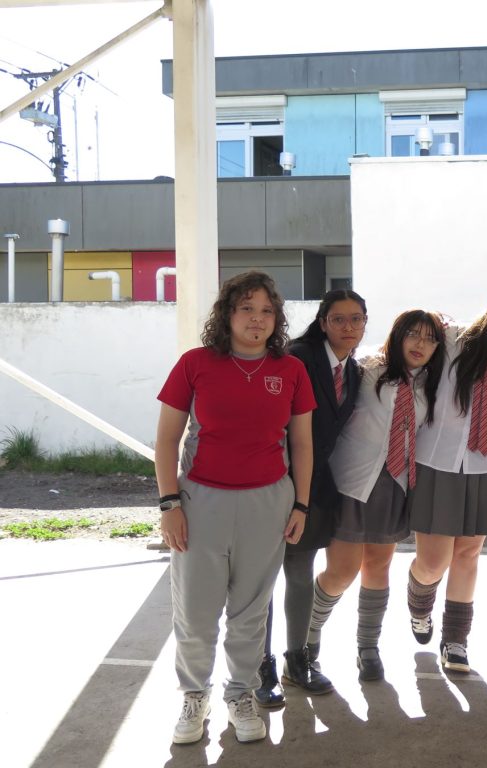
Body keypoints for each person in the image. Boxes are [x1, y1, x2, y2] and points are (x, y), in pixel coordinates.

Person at [155, 271, 314, 744]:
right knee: (196, 611)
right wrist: (169, 504)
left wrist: (301, 504)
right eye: (246, 308)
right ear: (227, 314)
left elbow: (302, 445)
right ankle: (194, 695)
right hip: (200, 502)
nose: (257, 319)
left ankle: (241, 694)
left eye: (266, 310)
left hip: (269, 503)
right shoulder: (195, 364)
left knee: (250, 611)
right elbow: (166, 441)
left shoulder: (291, 370)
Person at [405, 283, 487, 673]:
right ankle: (419, 604)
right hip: (437, 461)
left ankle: (456, 641)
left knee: (467, 554)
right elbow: (411, 343)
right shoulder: (452, 338)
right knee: (433, 563)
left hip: (485, 465)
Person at [310, 310, 445, 682]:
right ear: (397, 335)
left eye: (430, 339)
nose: (420, 344)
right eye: (413, 334)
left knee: (378, 567)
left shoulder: (430, 384)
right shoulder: (366, 367)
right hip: (352, 482)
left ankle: (368, 648)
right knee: (342, 571)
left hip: (393, 484)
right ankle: (308, 636)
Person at [255, 290, 367, 705]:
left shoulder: (353, 370)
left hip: (315, 488)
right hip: (272, 483)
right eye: (338, 319)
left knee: (300, 573)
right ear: (323, 323)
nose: (348, 327)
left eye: (356, 319)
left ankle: (297, 660)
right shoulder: (296, 358)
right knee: (262, 580)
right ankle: (260, 666)